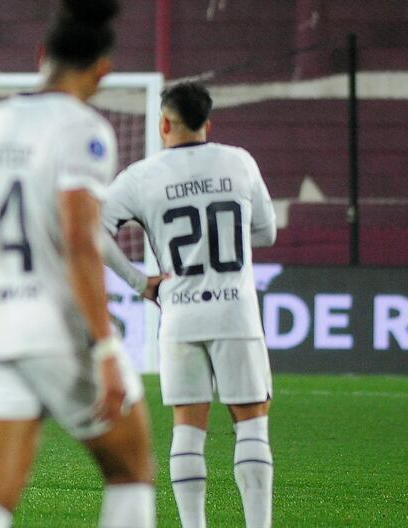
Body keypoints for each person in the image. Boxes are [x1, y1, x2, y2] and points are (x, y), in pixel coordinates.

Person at [0, 2, 156, 527]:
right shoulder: (83, 129)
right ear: (103, 69)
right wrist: (107, 346)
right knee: (131, 469)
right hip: (58, 332)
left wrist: (3, 304)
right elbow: (79, 240)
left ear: (42, 55)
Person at [102, 81, 277, 527]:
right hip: (235, 310)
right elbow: (266, 232)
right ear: (207, 123)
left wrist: (141, 282)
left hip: (179, 314)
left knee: (188, 428)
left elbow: (91, 232)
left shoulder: (142, 176)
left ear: (163, 123)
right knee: (252, 423)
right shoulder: (239, 161)